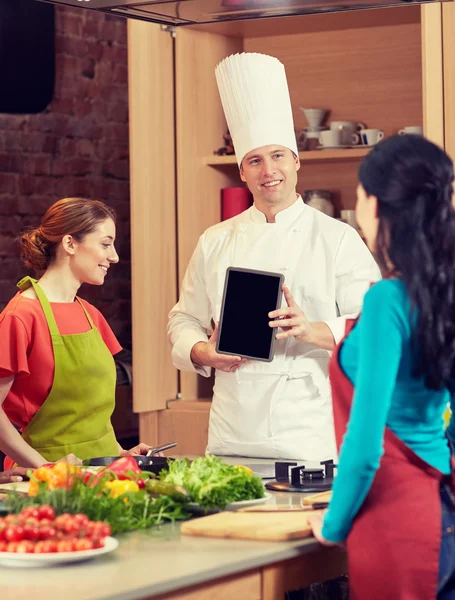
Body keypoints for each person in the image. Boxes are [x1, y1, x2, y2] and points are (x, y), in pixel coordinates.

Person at [168, 52, 380, 461]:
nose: (269, 170)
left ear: (297, 162)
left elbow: (371, 326)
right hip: (233, 432)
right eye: (255, 160)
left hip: (310, 433)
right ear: (242, 171)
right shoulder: (215, 240)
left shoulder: (338, 238)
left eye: (278, 155)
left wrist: (311, 328)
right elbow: (184, 318)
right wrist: (201, 351)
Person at [309, 134, 455, 599]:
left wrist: (333, 525)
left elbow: (366, 442)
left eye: (358, 196)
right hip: (442, 509)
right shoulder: (442, 294)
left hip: (394, 520)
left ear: (374, 205)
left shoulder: (386, 300)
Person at [0, 197, 156, 469]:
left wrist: (120, 453)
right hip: (49, 484)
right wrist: (44, 468)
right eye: (105, 244)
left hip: (104, 472)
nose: (114, 256)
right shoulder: (21, 316)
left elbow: (89, 412)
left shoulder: (90, 315)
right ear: (70, 244)